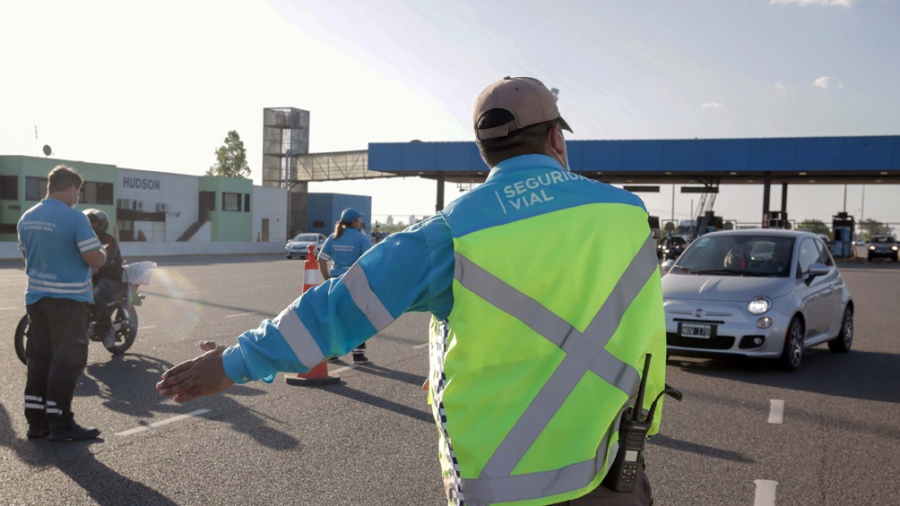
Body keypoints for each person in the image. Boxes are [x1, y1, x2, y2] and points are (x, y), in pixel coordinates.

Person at [157, 76, 667, 505]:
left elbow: (338, 310)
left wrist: (233, 362)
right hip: (614, 471)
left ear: (484, 150)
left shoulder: (452, 232)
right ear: (557, 138)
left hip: (506, 486)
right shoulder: (626, 214)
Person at [17, 165, 107, 442]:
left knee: (39, 359)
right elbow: (94, 259)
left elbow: (27, 256)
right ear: (70, 188)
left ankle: (37, 423)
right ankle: (61, 423)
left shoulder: (26, 218)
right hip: (68, 300)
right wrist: (101, 255)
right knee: (67, 361)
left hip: (36, 299)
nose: (77, 197)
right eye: (77, 191)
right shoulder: (75, 219)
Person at [317, 207, 373, 364]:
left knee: (337, 318)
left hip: (335, 281)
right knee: (357, 318)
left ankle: (334, 353)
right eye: (359, 219)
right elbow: (369, 261)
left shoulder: (333, 237)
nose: (360, 222)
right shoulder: (361, 238)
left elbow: (321, 260)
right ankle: (358, 355)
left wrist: (328, 278)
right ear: (354, 221)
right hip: (354, 281)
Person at [84, 208, 126, 348]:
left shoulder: (109, 240)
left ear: (102, 224)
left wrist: (96, 266)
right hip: (92, 277)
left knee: (96, 294)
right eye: (87, 222)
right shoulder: (83, 239)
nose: (90, 225)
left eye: (93, 223)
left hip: (111, 277)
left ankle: (107, 330)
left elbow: (105, 261)